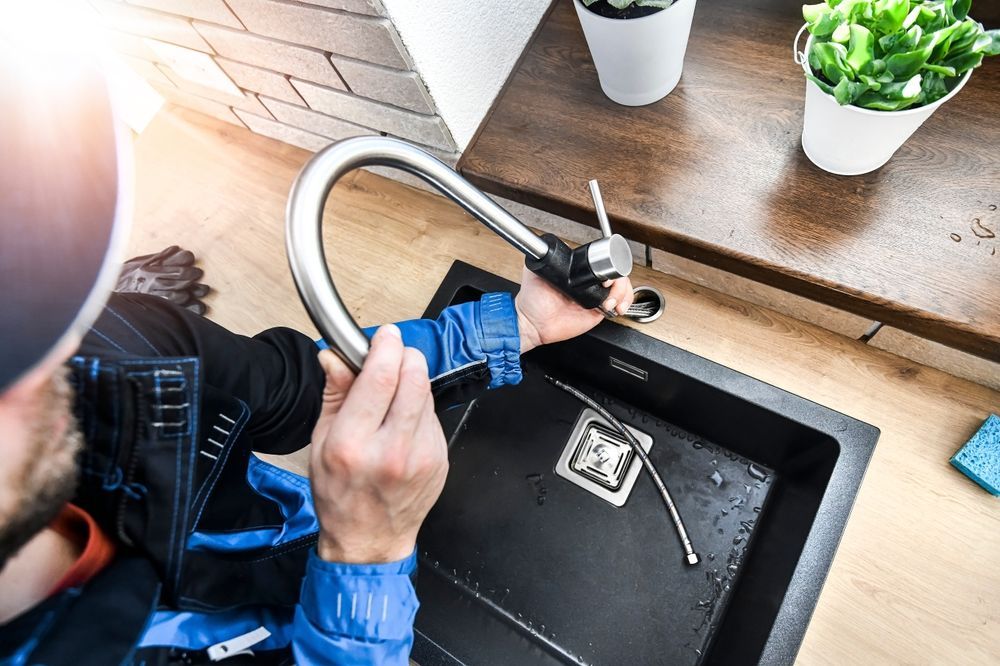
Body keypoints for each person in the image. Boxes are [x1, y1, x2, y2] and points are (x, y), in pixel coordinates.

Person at [0, 50, 635, 663]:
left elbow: (297, 389)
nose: (51, 362)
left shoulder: (111, 347)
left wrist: (516, 324)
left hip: (293, 550)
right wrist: (363, 559)